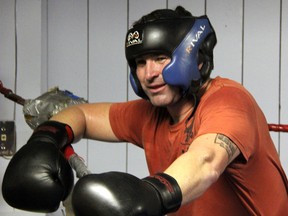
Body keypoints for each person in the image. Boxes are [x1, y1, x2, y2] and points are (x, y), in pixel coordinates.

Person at [2, 5, 288, 216]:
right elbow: (83, 116)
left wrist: (151, 192)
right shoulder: (150, 113)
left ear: (196, 61)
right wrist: (45, 139)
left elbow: (206, 160)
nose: (149, 73)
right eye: (140, 62)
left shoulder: (227, 100)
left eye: (161, 58)